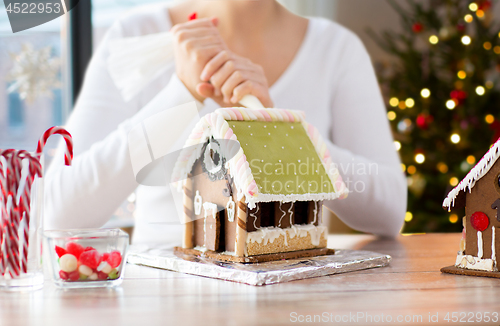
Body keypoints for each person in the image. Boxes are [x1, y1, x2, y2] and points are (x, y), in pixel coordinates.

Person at [45, 0, 407, 243]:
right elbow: (60, 212)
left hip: (293, 302)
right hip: (158, 305)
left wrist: (282, 132)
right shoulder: (134, 39)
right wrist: (182, 94)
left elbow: (389, 213)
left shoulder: (336, 49)